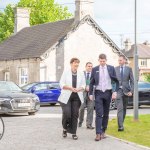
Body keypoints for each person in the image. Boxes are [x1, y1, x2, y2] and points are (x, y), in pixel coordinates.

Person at [89, 54, 119, 141]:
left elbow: (116, 81)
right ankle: (98, 133)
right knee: (99, 113)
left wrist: (115, 91)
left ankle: (103, 131)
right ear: (99, 60)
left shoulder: (111, 68)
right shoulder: (95, 69)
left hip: (108, 93)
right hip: (98, 93)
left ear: (106, 60)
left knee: (106, 114)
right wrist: (90, 93)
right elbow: (91, 82)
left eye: (104, 61)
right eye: (101, 61)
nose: (102, 63)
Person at [58, 58, 86, 140]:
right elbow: (61, 84)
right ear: (71, 64)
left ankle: (74, 132)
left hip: (77, 96)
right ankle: (64, 128)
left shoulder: (81, 73)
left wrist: (79, 88)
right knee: (67, 113)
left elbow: (84, 85)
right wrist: (70, 88)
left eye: (77, 63)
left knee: (75, 114)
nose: (76, 65)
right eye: (75, 63)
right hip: (66, 96)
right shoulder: (66, 72)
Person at [115, 55, 134, 131]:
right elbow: (113, 81)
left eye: (121, 60)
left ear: (124, 61)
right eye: (118, 60)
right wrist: (113, 91)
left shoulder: (129, 69)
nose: (119, 62)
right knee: (120, 108)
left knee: (124, 109)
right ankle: (120, 126)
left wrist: (131, 91)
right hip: (118, 90)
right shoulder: (115, 69)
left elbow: (132, 81)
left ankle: (121, 123)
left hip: (126, 91)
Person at [79, 62, 95, 129]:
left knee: (90, 109)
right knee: (81, 108)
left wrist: (91, 88)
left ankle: (89, 124)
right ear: (86, 67)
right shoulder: (81, 74)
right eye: (88, 66)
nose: (90, 67)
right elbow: (78, 83)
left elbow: (96, 83)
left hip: (91, 94)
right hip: (83, 93)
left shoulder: (94, 74)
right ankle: (80, 121)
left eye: (91, 66)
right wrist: (84, 87)